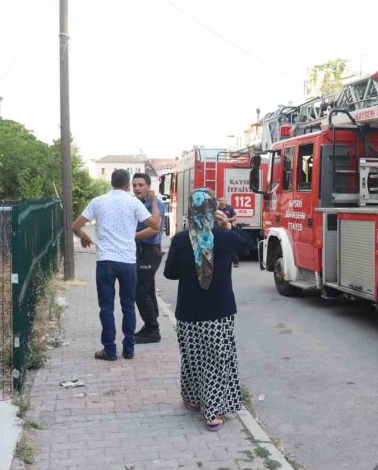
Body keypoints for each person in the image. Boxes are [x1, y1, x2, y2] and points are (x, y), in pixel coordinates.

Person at [163, 187, 254, 431]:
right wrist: (227, 226)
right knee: (215, 360)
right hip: (218, 313)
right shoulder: (223, 238)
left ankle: (193, 399)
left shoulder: (181, 239)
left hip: (188, 313)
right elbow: (248, 243)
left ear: (191, 210)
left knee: (192, 358)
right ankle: (212, 413)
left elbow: (169, 274)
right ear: (214, 210)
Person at [71, 169, 161, 361]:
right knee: (128, 305)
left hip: (105, 261)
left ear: (111, 182)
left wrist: (84, 237)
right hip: (128, 261)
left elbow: (75, 226)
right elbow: (154, 225)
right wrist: (153, 201)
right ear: (128, 184)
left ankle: (109, 350)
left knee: (106, 307)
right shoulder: (134, 202)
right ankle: (129, 349)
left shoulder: (98, 201)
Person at [132, 173, 166, 344]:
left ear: (148, 186)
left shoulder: (155, 203)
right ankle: (151, 325)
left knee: (140, 289)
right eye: (135, 185)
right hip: (141, 251)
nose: (137, 188)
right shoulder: (137, 203)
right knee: (148, 289)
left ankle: (152, 329)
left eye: (140, 185)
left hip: (150, 251)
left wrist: (132, 237)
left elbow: (154, 228)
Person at [217, 196, 240, 267]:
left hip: (228, 230)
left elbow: (235, 217)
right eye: (219, 200)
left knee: (231, 245)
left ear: (225, 201)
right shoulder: (216, 209)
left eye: (222, 200)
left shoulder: (229, 208)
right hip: (218, 230)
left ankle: (235, 261)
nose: (221, 202)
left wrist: (228, 220)